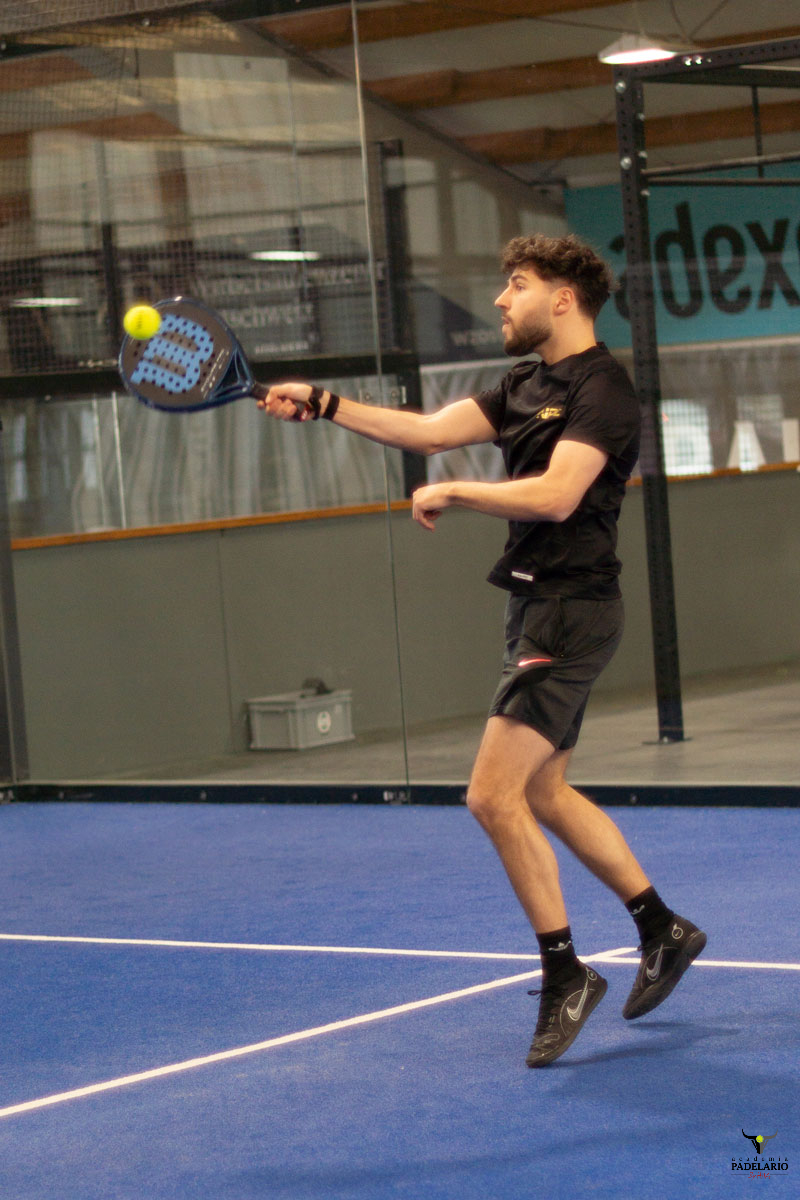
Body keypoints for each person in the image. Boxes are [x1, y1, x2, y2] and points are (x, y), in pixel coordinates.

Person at [256, 233, 706, 1068]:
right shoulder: (524, 383)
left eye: (517, 284)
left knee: (490, 797)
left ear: (562, 298)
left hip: (570, 611)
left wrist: (460, 489)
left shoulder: (603, 390)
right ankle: (662, 928)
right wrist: (322, 402)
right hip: (537, 603)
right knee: (543, 792)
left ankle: (566, 972)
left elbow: (559, 493)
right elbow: (426, 432)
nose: (501, 299)